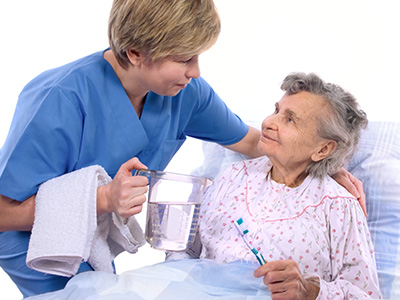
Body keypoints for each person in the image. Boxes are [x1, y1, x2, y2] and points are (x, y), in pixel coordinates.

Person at [0, 0, 364, 298]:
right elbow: (3, 213)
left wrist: (323, 165)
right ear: (136, 52)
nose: (196, 72)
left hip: (93, 244)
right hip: (34, 245)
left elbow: (253, 141)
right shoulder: (59, 98)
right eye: (185, 58)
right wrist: (103, 199)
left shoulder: (184, 93)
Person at [197, 73, 382, 299]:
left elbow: (367, 295)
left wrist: (311, 291)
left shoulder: (339, 206)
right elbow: (187, 251)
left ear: (323, 150)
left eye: (290, 119)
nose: (268, 122)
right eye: (276, 110)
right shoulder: (232, 177)